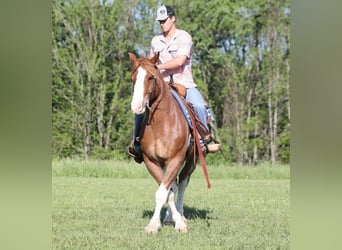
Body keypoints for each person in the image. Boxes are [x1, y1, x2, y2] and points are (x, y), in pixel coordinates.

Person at [128, 5, 221, 163]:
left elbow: (180, 61)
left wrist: (159, 67)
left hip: (184, 83)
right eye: (160, 21)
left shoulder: (184, 37)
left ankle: (204, 141)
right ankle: (137, 143)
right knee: (140, 107)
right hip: (162, 85)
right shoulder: (155, 41)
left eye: (164, 20)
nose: (162, 23)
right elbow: (152, 62)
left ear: (173, 19)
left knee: (198, 105)